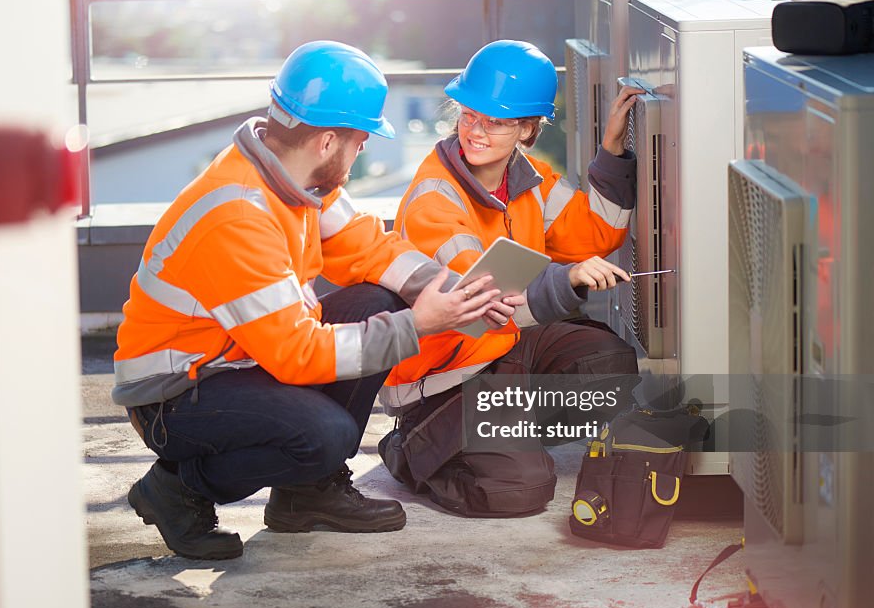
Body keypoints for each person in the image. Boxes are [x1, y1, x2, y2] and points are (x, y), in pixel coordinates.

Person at [111, 41, 514, 560]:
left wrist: (452, 291)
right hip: (173, 396)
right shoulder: (237, 216)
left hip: (233, 362)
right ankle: (177, 488)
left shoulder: (294, 178)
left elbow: (371, 249)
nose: (364, 149)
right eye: (361, 139)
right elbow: (298, 355)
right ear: (327, 141)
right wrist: (420, 324)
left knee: (376, 300)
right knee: (324, 434)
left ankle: (306, 495)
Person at [378, 40, 644, 516]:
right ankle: (414, 449)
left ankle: (501, 429)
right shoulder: (433, 202)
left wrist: (612, 152)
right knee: (519, 489)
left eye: (495, 121)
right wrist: (566, 281)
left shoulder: (528, 179)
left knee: (610, 366)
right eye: (469, 115)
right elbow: (480, 310)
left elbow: (595, 235)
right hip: (446, 377)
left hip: (505, 351)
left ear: (526, 129)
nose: (475, 131)